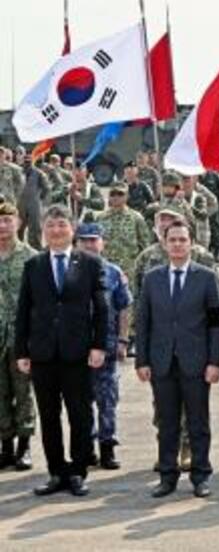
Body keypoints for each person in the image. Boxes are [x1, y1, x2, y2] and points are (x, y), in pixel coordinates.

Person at [14, 205, 109, 497]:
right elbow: (23, 310)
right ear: (43, 230)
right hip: (43, 353)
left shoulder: (90, 263)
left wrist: (99, 345)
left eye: (62, 225)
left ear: (72, 229)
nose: (56, 230)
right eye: (51, 225)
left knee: (80, 414)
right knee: (49, 415)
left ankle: (78, 472)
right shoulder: (33, 265)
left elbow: (101, 309)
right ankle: (56, 472)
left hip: (77, 352)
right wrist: (22, 351)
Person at [135, 219, 219, 499]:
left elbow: (216, 323)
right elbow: (143, 321)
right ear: (164, 244)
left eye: (182, 240)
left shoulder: (207, 277)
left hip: (196, 361)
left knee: (198, 422)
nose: (177, 244)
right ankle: (167, 476)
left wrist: (215, 361)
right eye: (172, 240)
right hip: (162, 361)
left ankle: (200, 475)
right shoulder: (152, 279)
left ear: (191, 243)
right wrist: (141, 360)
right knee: (167, 423)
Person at [75, 223, 132, 471]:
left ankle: (107, 447)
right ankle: (86, 448)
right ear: (77, 243)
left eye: (93, 240)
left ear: (102, 243)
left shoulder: (113, 272)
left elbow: (124, 308)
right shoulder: (68, 270)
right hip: (76, 348)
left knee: (107, 399)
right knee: (80, 400)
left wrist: (123, 340)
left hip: (107, 347)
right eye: (84, 240)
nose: (89, 245)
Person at [0, 202, 36, 472]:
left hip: (22, 336)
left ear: (18, 223)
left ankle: (24, 446)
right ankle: (6, 447)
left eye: (7, 220)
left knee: (23, 391)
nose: (2, 226)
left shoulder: (31, 258)